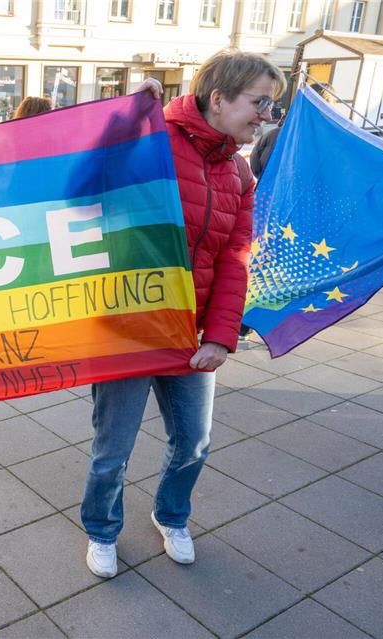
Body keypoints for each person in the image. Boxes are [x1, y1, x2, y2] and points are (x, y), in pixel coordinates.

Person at [82, 49, 285, 578]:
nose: (266, 116)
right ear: (218, 98)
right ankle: (102, 530)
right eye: (259, 102)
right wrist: (124, 121)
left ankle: (171, 515)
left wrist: (221, 336)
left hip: (193, 335)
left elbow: (234, 261)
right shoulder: (149, 140)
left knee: (193, 441)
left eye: (272, 106)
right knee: (113, 450)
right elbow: (81, 188)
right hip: (127, 329)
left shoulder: (240, 174)